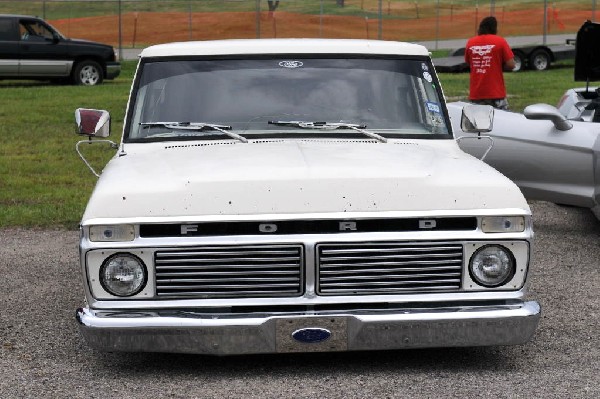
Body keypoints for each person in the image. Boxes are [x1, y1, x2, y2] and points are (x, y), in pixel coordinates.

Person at [465, 16, 516, 110]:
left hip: (476, 93)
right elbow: (511, 64)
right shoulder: (500, 41)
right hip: (495, 92)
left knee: (479, 122)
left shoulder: (470, 42)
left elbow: (469, 62)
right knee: (501, 120)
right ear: (494, 28)